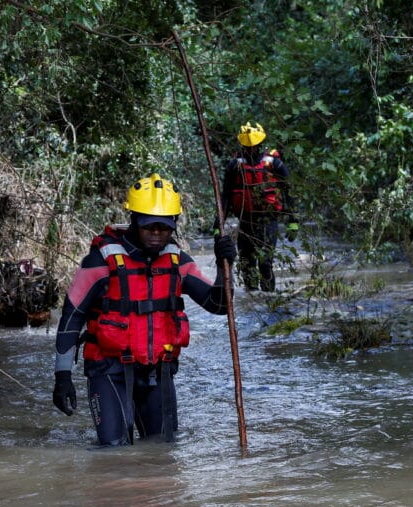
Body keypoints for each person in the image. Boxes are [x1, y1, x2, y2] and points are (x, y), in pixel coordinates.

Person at [51, 173, 237, 445]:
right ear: (135, 220)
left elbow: (218, 305)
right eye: (150, 227)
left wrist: (224, 267)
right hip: (109, 371)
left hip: (157, 372)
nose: (157, 235)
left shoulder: (177, 261)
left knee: (162, 450)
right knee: (113, 450)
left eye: (164, 228)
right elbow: (72, 317)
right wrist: (62, 377)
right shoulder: (100, 262)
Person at [221, 122, 298, 292]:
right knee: (247, 266)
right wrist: (217, 225)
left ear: (260, 145)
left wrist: (293, 221)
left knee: (265, 264)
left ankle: (269, 299)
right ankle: (252, 303)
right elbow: (225, 197)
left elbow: (288, 192)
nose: (250, 150)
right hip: (245, 221)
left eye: (254, 147)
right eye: (247, 147)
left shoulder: (274, 164)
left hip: (268, 221)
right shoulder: (234, 166)